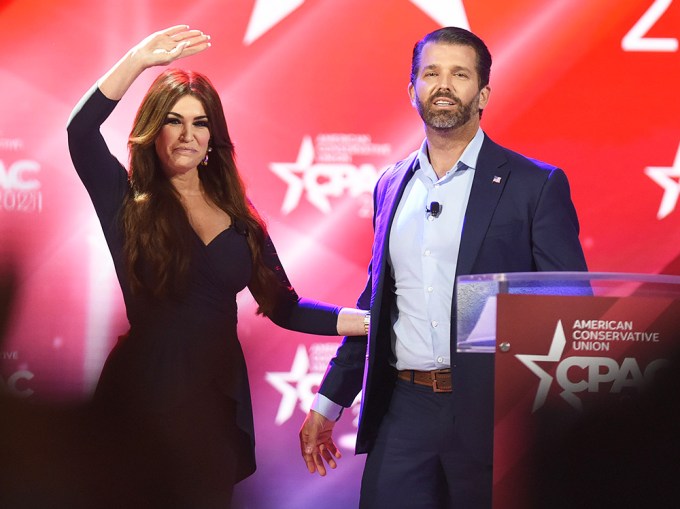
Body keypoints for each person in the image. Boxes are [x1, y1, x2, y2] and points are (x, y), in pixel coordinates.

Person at [67, 26, 367, 509]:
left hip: (214, 404)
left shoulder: (241, 221)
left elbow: (285, 307)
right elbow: (80, 133)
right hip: (141, 396)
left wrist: (372, 323)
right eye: (174, 120)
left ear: (214, 138)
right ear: (152, 130)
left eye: (200, 123)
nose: (188, 135)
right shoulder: (127, 202)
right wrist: (139, 60)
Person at [299, 26, 588, 508]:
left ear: (483, 93)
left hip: (498, 415)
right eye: (430, 73)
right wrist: (329, 401)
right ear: (412, 89)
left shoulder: (534, 184)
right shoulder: (391, 184)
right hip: (404, 408)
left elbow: (570, 306)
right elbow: (376, 304)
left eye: (459, 73)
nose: (444, 85)